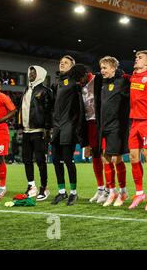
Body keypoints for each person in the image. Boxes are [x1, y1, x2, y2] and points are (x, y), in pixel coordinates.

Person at [94, 56, 130, 207]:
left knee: (117, 159)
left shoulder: (122, 81)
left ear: (114, 68)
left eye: (105, 67)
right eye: (101, 67)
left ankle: (123, 191)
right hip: (104, 126)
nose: (102, 71)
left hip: (117, 126)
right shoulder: (102, 83)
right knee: (104, 158)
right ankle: (112, 190)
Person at [51, 55, 85, 206]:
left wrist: (76, 126)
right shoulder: (57, 83)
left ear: (72, 66)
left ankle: (73, 193)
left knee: (68, 160)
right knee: (55, 160)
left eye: (65, 63)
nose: (61, 64)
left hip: (69, 126)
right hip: (57, 126)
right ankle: (61, 192)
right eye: (60, 62)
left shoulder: (74, 81)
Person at [127, 50, 147, 211]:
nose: (136, 59)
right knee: (133, 157)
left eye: (140, 58)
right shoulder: (133, 76)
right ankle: (139, 193)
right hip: (134, 123)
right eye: (136, 57)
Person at [19, 65, 54, 201]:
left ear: (40, 74)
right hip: (26, 131)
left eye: (34, 73)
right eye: (30, 72)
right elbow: (22, 108)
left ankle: (44, 187)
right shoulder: (26, 89)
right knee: (26, 159)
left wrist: (47, 128)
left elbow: (49, 111)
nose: (31, 75)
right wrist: (20, 125)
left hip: (39, 131)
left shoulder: (46, 91)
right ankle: (31, 186)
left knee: (40, 160)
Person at [78, 66, 107, 204]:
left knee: (106, 155)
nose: (78, 82)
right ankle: (101, 188)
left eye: (80, 79)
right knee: (95, 155)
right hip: (89, 123)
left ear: (85, 75)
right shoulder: (80, 86)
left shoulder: (98, 79)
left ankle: (110, 188)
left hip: (102, 121)